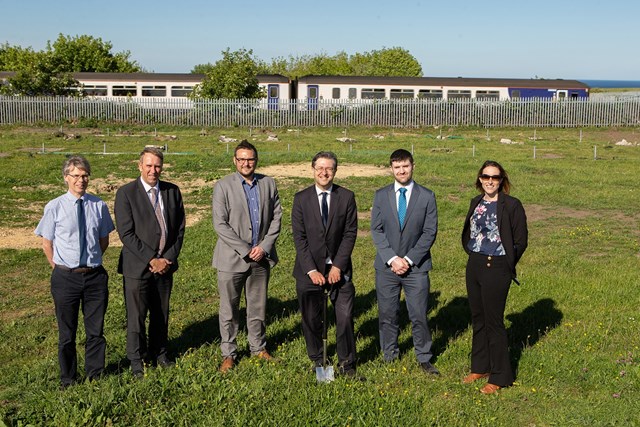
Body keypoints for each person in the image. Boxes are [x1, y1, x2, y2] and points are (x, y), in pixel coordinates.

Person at [34, 156, 115, 389]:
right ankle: (68, 379)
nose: (82, 180)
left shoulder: (98, 205)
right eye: (76, 176)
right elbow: (47, 244)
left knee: (95, 331)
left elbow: (104, 240)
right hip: (65, 277)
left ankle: (95, 375)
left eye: (85, 175)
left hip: (94, 277)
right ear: (66, 178)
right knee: (67, 333)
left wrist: (89, 263)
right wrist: (60, 268)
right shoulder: (54, 206)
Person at [114, 147, 185, 378]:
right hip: (137, 266)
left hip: (165, 265)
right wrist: (151, 258)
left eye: (157, 166)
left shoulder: (172, 191)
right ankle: (136, 359)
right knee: (136, 315)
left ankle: (160, 352)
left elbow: (180, 229)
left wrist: (167, 258)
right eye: (149, 165)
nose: (153, 170)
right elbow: (126, 233)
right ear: (139, 166)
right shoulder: (126, 193)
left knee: (161, 313)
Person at [212, 140, 282, 373]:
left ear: (256, 160)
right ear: (234, 160)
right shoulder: (223, 186)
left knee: (257, 307)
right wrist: (245, 249)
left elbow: (276, 218)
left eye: (250, 159)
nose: (246, 163)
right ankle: (229, 353)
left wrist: (264, 246)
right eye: (241, 159)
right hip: (232, 259)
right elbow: (220, 224)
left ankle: (258, 347)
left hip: (261, 257)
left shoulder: (269, 184)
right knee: (229, 309)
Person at [461, 160, 528, 394]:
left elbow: (521, 240)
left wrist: (507, 262)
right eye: (486, 176)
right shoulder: (476, 202)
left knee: (494, 322)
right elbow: (470, 232)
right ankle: (480, 366)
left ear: (501, 181)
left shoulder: (511, 205)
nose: (490, 181)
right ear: (480, 179)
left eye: (495, 177)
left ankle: (500, 376)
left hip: (497, 266)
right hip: (475, 265)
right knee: (478, 318)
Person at [371, 149, 439, 375]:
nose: (401, 171)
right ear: (391, 168)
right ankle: (389, 354)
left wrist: (408, 260)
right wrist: (392, 258)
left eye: (405, 166)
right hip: (387, 267)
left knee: (418, 314)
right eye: (397, 167)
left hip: (416, 267)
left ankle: (424, 357)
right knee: (388, 314)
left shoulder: (427, 196)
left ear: (413, 166)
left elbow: (429, 233)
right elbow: (376, 230)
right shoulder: (381, 195)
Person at [291, 151, 360, 377]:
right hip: (309, 269)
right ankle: (318, 359)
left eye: (329, 168)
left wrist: (338, 266)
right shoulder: (301, 199)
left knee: (345, 316)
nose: (324, 172)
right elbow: (299, 238)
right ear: (312, 169)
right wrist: (311, 270)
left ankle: (346, 363)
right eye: (320, 168)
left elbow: (350, 233)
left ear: (335, 171)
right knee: (311, 318)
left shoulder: (346, 197)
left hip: (339, 269)